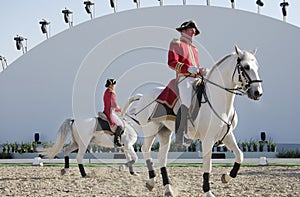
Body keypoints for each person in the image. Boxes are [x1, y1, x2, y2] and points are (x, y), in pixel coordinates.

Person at [168, 20, 207, 145]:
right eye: (191, 30)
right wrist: (187, 68)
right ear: (184, 31)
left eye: (194, 32)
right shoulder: (176, 42)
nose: (193, 33)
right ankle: (179, 135)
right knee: (186, 101)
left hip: (195, 78)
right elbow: (172, 62)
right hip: (184, 78)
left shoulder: (194, 48)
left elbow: (196, 65)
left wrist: (201, 70)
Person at [103, 79, 123, 147]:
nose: (114, 86)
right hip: (110, 112)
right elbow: (114, 105)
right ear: (111, 85)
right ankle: (116, 140)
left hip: (105, 110)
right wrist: (120, 109)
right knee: (120, 125)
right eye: (114, 85)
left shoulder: (106, 92)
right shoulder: (112, 93)